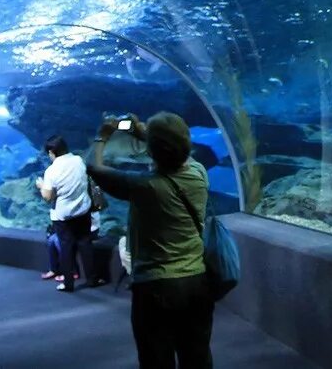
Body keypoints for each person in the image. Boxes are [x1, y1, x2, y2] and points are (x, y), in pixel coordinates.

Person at [88, 112, 213, 369]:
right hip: (196, 282)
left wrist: (103, 135)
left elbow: (93, 168)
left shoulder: (143, 187)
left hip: (156, 287)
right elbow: (177, 153)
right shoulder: (198, 174)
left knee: (156, 358)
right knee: (197, 356)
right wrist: (145, 133)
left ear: (152, 151)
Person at [36, 135, 101, 292]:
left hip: (63, 216)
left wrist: (41, 185)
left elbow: (47, 197)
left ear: (52, 152)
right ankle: (92, 279)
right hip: (82, 211)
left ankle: (68, 283)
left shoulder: (52, 170)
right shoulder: (79, 160)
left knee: (66, 248)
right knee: (85, 244)